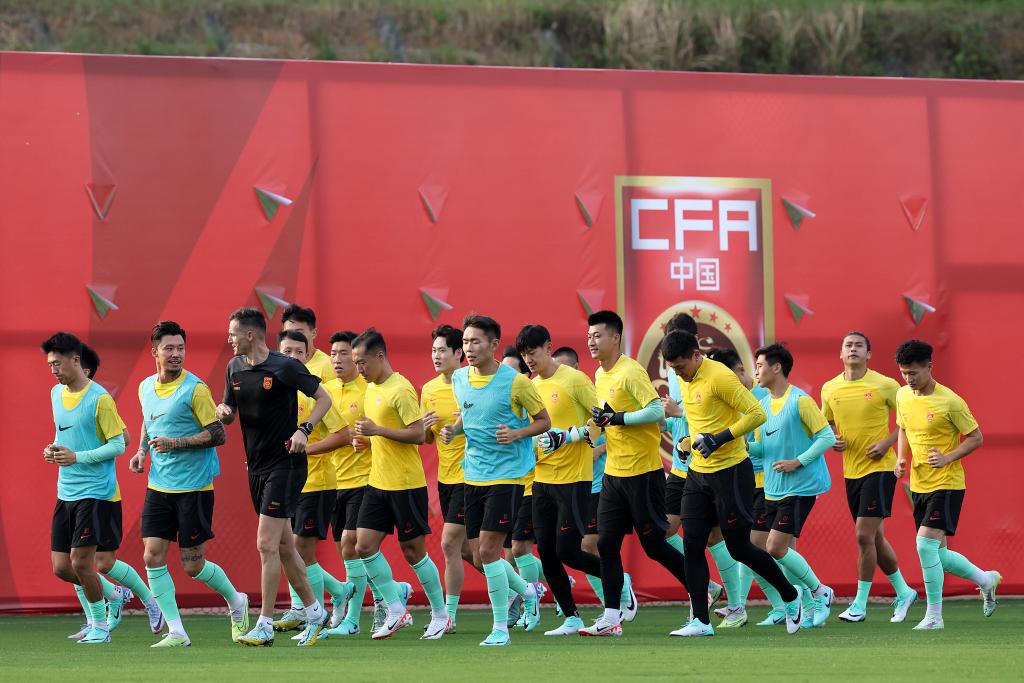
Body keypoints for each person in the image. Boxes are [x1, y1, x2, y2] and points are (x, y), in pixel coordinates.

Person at [662, 330, 804, 637]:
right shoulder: (685, 379)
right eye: (673, 369)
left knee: (740, 548)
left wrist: (719, 439)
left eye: (681, 367)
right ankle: (701, 621)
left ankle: (790, 596)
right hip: (697, 473)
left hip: (731, 473)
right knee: (693, 544)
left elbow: (756, 414)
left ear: (696, 355)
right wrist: (689, 441)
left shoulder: (721, 377)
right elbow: (700, 419)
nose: (678, 374)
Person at [216, 307, 333, 647]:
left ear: (250, 334)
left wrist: (304, 430)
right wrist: (224, 413)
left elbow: (323, 399)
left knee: (266, 544)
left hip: (287, 465)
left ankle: (264, 624)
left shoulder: (285, 366)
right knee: (284, 547)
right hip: (256, 467)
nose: (229, 339)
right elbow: (230, 411)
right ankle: (315, 613)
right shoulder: (234, 367)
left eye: (233, 334)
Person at [129, 321, 248, 647]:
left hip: (194, 488)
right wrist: (141, 451)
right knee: (152, 557)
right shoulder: (144, 387)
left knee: (192, 566)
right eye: (169, 348)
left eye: (180, 348)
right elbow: (148, 420)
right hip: (158, 487)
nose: (176, 354)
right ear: (154, 352)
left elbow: (218, 434)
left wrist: (176, 443)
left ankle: (236, 600)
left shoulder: (195, 389)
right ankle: (177, 631)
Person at [42, 332, 160, 644]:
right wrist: (53, 450)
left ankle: (101, 626)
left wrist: (77, 457)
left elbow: (120, 444)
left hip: (96, 493)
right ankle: (115, 595)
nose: (53, 369)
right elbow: (64, 436)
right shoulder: (55, 394)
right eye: (50, 364)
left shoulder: (100, 399)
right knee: (62, 567)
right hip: (65, 491)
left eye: (57, 363)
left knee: (85, 563)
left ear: (76, 360)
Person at [576, 311, 688, 638]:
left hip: (643, 473)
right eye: (589, 336)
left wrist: (618, 419)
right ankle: (611, 617)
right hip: (613, 473)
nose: (591, 341)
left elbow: (655, 411)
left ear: (615, 338)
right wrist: (589, 433)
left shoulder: (631, 371)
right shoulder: (600, 374)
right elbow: (604, 418)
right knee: (606, 544)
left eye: (597, 335)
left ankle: (702, 589)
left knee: (654, 546)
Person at [440, 314, 550, 646]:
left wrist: (517, 433)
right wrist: (454, 430)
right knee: (478, 556)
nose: (468, 348)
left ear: (493, 345)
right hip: (472, 475)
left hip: (508, 476)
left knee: (489, 551)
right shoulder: (459, 378)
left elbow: (543, 421)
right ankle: (527, 591)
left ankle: (500, 627)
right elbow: (468, 414)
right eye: (465, 342)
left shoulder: (516, 382)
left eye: (475, 341)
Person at [350, 328, 450, 641]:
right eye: (356, 362)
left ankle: (441, 615)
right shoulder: (370, 388)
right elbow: (382, 434)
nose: (359, 368)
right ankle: (396, 609)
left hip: (406, 484)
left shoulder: (401, 388)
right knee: (363, 546)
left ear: (380, 356)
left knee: (413, 552)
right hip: (377, 482)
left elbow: (419, 434)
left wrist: (377, 430)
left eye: (362, 362)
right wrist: (367, 441)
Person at [894, 340, 1000, 630]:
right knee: (937, 553)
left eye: (913, 373)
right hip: (919, 484)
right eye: (903, 373)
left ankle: (934, 616)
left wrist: (947, 457)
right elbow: (902, 427)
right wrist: (900, 458)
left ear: (929, 366)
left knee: (924, 545)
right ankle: (986, 580)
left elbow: (976, 437)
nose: (908, 379)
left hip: (947, 483)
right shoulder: (902, 395)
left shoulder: (951, 401)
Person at [820, 332, 918, 623]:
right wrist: (834, 439)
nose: (853, 349)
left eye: (859, 345)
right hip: (851, 472)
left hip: (881, 469)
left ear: (868, 354)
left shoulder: (886, 385)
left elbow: (907, 422)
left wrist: (887, 443)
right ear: (841, 353)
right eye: (848, 345)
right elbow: (826, 423)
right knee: (874, 537)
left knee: (863, 535)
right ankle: (904, 591)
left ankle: (859, 604)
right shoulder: (830, 388)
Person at [320, 331, 412, 638]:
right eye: (333, 354)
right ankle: (394, 591)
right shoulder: (326, 391)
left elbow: (387, 433)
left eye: (344, 354)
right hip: (336, 479)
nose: (338, 359)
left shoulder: (371, 388)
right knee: (349, 551)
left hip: (367, 478)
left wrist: (368, 439)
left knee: (354, 544)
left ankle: (353, 618)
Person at [517, 324, 606, 635]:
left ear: (548, 347)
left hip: (574, 477)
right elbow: (532, 430)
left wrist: (569, 436)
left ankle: (617, 580)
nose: (529, 359)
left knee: (568, 550)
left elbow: (602, 421)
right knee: (547, 552)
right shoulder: (529, 386)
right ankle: (571, 617)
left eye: (533, 352)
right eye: (524, 355)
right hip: (541, 478)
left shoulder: (575, 379)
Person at [272, 331, 355, 636]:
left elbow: (343, 435)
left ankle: (312, 617)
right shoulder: (275, 392)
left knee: (300, 550)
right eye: (287, 351)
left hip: (317, 481)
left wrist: (305, 447)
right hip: (285, 481)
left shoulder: (316, 393)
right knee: (288, 549)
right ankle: (337, 592)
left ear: (308, 356)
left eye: (299, 352)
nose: (293, 357)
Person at [750, 343, 836, 629]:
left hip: (800, 487)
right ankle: (808, 606)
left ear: (777, 367)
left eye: (759, 365)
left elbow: (826, 437)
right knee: (763, 546)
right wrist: (739, 445)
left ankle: (820, 592)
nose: (755, 372)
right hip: (772, 488)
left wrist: (797, 461)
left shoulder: (801, 401)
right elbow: (762, 449)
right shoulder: (762, 406)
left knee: (775, 547)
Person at [705, 348, 785, 626]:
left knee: (763, 548)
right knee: (749, 548)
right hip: (742, 479)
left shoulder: (764, 397)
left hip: (770, 480)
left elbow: (778, 440)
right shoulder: (723, 398)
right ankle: (780, 605)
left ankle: (809, 596)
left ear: (739, 371)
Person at [659, 315, 729, 622]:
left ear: (694, 342)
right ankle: (707, 587)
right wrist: (664, 419)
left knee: (720, 538)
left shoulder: (709, 371)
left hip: (706, 464)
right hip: (681, 464)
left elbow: (715, 415)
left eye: (678, 336)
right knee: (664, 530)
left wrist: (678, 413)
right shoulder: (674, 371)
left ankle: (737, 604)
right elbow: (676, 416)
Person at [422, 324, 475, 633]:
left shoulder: (471, 382)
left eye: (442, 350)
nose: (436, 356)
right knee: (468, 551)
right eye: (433, 350)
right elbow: (427, 438)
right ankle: (522, 589)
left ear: (458, 354)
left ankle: (449, 616)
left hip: (471, 474)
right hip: (445, 478)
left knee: (448, 543)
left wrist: (459, 427)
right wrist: (426, 428)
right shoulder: (428, 389)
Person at [500, 345, 545, 626]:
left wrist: (519, 437)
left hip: (531, 484)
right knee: (508, 555)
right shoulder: (497, 402)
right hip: (505, 484)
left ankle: (531, 605)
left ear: (524, 375)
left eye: (510, 371)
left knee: (518, 548)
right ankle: (552, 583)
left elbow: (546, 434)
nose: (503, 376)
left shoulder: (533, 400)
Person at [281, 303, 334, 383]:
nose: (293, 338)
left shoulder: (328, 366)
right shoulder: (277, 364)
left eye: (299, 332)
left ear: (314, 333)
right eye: (288, 333)